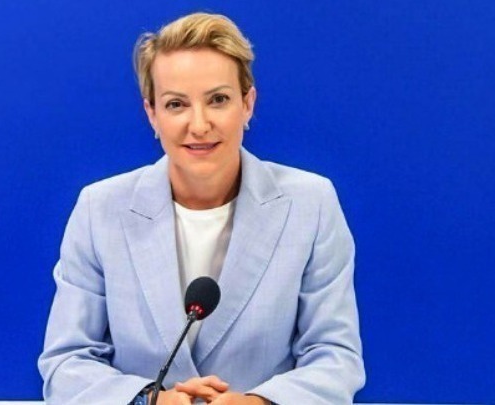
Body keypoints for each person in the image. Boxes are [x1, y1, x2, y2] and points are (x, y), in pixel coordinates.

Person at [38, 12, 365, 405]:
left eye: (218, 100)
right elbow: (66, 362)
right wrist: (151, 400)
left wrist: (258, 403)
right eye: (176, 104)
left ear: (247, 104)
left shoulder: (311, 204)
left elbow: (335, 357)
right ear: (152, 114)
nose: (199, 124)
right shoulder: (99, 209)